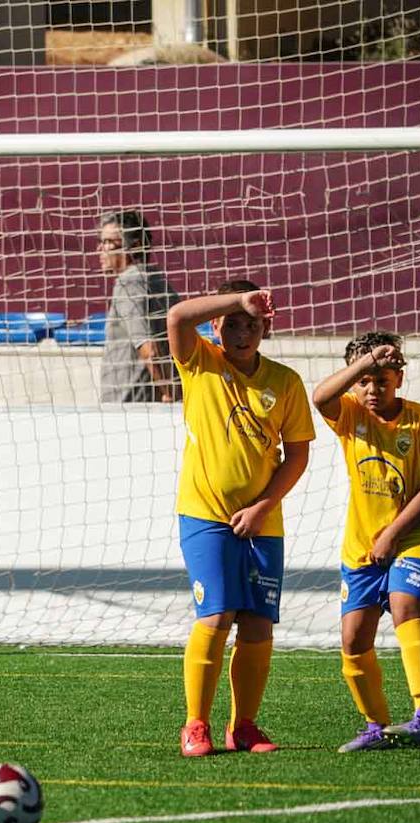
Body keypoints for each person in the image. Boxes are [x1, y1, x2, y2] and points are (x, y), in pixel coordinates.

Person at [167, 279, 315, 757]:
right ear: (218, 325)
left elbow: (296, 456)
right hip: (204, 515)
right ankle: (196, 724)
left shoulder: (285, 382)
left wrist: (262, 508)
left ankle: (244, 727)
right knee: (217, 614)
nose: (241, 332)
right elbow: (175, 317)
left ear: (265, 329)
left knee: (256, 623)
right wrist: (237, 299)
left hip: (262, 522)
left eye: (251, 324)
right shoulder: (200, 363)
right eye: (233, 322)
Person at [311, 332, 420, 753]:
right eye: (365, 380)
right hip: (362, 546)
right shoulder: (350, 414)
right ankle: (377, 725)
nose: (373, 389)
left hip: (412, 536)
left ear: (399, 379)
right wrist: (366, 360)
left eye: (382, 379)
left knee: (405, 606)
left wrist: (392, 533)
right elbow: (319, 397)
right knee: (353, 639)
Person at [97, 210, 180, 403]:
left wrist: (169, 392)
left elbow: (148, 348)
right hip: (149, 401)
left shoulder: (129, 281)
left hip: (129, 405)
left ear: (134, 246)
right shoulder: (158, 279)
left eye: (109, 242)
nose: (100, 249)